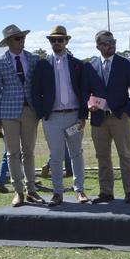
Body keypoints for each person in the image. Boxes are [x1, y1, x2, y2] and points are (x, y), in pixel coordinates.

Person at [32, 25, 89, 206]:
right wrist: (42, 113)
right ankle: (58, 193)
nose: (56, 43)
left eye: (60, 39)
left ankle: (79, 190)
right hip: (53, 118)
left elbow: (84, 91)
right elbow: (35, 91)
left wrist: (82, 116)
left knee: (76, 154)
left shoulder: (77, 64)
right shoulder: (42, 65)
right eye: (52, 40)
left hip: (73, 117)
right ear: (49, 42)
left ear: (67, 41)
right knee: (55, 156)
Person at [0, 24, 45, 207]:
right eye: (17, 38)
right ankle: (18, 192)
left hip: (30, 112)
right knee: (13, 153)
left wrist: (41, 108)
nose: (22, 40)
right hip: (8, 113)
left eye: (22, 37)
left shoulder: (34, 59)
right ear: (8, 42)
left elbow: (41, 85)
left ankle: (32, 190)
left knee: (29, 152)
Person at [83, 30, 130, 204]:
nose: (111, 45)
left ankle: (129, 191)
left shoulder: (126, 63)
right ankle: (106, 192)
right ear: (98, 46)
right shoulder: (90, 66)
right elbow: (85, 92)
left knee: (125, 155)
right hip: (99, 119)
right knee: (102, 157)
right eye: (106, 43)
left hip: (119, 117)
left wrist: (127, 112)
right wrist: (89, 104)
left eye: (113, 41)